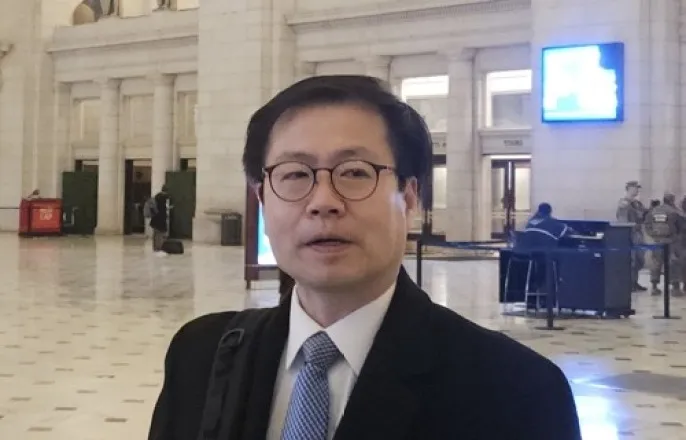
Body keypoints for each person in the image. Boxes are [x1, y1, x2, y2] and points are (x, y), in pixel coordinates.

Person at [148, 75, 581, 440]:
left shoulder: (516, 390)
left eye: (355, 172)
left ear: (409, 197)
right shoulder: (200, 356)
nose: (323, 201)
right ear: (263, 200)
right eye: (295, 174)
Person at [645, 193, 685, 297]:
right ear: (672, 200)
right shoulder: (674, 212)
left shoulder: (653, 211)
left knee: (656, 263)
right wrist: (676, 237)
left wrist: (654, 235)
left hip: (657, 241)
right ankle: (675, 288)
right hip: (671, 242)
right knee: (674, 263)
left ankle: (654, 287)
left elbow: (647, 224)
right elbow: (681, 227)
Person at [616, 180, 648, 291]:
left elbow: (643, 216)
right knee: (631, 260)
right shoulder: (624, 203)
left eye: (638, 188)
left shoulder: (637, 204)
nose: (637, 190)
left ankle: (634, 281)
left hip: (638, 233)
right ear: (629, 189)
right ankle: (629, 283)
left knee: (640, 260)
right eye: (635, 188)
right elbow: (623, 221)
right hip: (630, 233)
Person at [149, 185, 170, 255]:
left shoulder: (156, 196)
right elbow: (163, 209)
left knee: (155, 233)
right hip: (160, 218)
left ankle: (155, 247)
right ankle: (159, 247)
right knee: (160, 234)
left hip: (155, 218)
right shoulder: (164, 198)